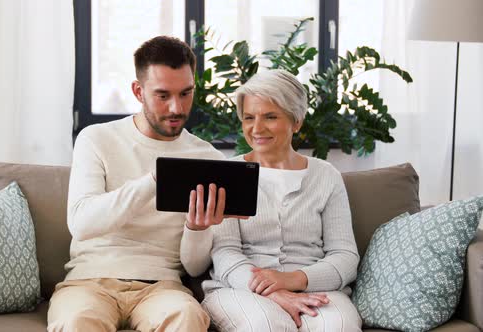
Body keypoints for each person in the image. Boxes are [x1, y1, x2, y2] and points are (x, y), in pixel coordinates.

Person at [47, 36, 229, 332]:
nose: (176, 108)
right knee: (76, 321)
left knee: (188, 316)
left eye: (185, 94)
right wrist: (156, 178)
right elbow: (82, 224)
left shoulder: (207, 158)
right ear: (138, 90)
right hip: (89, 283)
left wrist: (198, 228)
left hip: (162, 287)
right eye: (162, 95)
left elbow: (195, 268)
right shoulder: (97, 139)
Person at [200, 69, 363, 331]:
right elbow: (225, 252)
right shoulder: (226, 174)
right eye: (249, 117)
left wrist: (294, 280)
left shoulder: (326, 176)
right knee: (265, 326)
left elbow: (344, 255)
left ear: (296, 121)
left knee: (339, 326)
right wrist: (272, 291)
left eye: (270, 117)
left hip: (314, 287)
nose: (257, 128)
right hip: (240, 289)